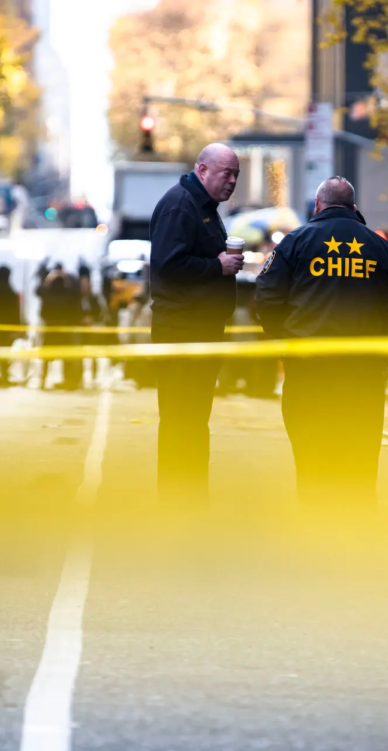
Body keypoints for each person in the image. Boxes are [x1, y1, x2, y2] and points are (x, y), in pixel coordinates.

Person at [255, 176, 388, 505]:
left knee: (311, 462)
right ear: (354, 208)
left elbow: (265, 299)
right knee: (360, 464)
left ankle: (316, 533)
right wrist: (382, 359)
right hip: (362, 379)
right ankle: (358, 533)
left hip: (308, 375)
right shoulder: (380, 247)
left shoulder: (295, 242)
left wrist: (288, 342)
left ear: (317, 206)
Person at [149, 142, 244, 504]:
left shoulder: (204, 208)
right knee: (180, 418)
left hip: (200, 331)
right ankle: (177, 498)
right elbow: (168, 267)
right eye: (226, 173)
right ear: (202, 170)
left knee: (193, 418)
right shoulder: (180, 206)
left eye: (236, 174)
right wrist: (216, 267)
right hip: (182, 331)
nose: (232, 181)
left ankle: (190, 495)